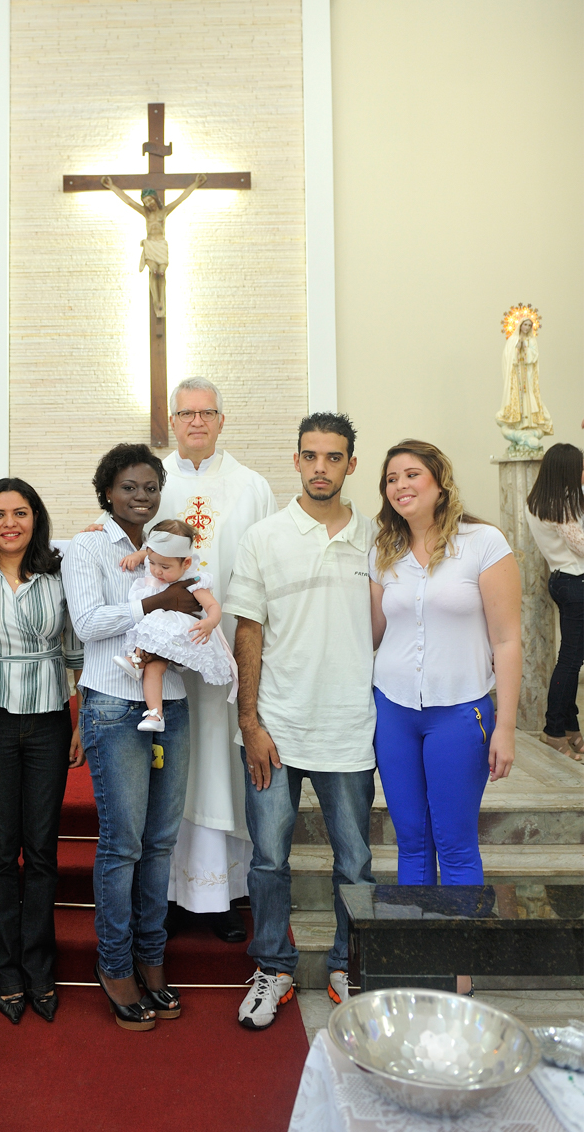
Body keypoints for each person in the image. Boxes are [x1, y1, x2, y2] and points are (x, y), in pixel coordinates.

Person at [225, 412, 377, 1028]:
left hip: (350, 724)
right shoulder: (264, 537)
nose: (321, 467)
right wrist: (251, 724)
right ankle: (273, 967)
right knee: (267, 858)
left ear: (350, 464)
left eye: (333, 457)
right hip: (278, 727)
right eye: (310, 456)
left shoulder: (376, 537)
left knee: (356, 862)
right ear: (296, 461)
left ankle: (349, 963)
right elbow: (248, 633)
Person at [369, 440, 522, 996]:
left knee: (454, 842)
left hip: (461, 711)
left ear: (439, 482)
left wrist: (505, 725)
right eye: (391, 479)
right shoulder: (383, 551)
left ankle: (458, 975)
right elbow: (373, 633)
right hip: (395, 710)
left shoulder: (484, 543)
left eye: (412, 474)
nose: (401, 485)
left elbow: (507, 640)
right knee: (411, 840)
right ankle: (419, 960)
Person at [63, 443, 199, 1030]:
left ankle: (152, 958)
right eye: (129, 486)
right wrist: (155, 600)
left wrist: (187, 608)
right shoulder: (89, 545)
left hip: (172, 706)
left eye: (150, 487)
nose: (141, 496)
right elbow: (88, 623)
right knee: (124, 844)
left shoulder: (169, 548)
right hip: (114, 709)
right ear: (107, 490)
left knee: (162, 842)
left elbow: (191, 612)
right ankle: (114, 965)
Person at [156, 377, 277, 943]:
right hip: (168, 659)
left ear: (222, 421)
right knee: (176, 767)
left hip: (230, 654)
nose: (197, 422)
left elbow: (268, 570)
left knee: (222, 767)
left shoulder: (252, 486)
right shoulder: (151, 481)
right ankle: (174, 890)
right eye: (186, 413)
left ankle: (224, 892)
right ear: (172, 420)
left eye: (207, 413)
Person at [0, 478, 85, 1025]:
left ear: (35, 518)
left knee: (40, 850)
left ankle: (39, 967)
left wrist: (78, 721)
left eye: (20, 513)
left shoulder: (58, 575)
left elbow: (76, 651)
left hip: (48, 723)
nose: (9, 523)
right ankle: (6, 969)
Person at [115, 519, 237, 732]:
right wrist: (139, 555)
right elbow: (149, 552)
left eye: (165, 567)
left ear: (186, 564)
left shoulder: (194, 580)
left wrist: (209, 622)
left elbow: (213, 606)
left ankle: (137, 659)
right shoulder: (156, 559)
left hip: (180, 632)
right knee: (154, 669)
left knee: (154, 623)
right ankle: (155, 715)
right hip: (162, 632)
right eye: (152, 563)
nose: (156, 571)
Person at [525, 443, 584, 761]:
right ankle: (553, 730)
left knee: (572, 661)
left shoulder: (537, 502)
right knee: (571, 662)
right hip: (576, 583)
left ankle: (571, 729)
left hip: (562, 580)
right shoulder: (559, 506)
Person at [100, 175, 206, 317]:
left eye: (150, 200)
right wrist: (112, 187)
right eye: (146, 202)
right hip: (150, 244)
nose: (149, 203)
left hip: (161, 244)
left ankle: (162, 299)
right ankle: (157, 301)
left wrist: (196, 184)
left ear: (155, 198)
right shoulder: (145, 213)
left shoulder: (164, 211)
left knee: (162, 273)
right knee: (154, 271)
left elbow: (182, 197)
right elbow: (129, 201)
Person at [495, 305, 553, 452]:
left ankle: (529, 424)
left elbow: (534, 357)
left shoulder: (532, 341)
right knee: (517, 400)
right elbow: (508, 360)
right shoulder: (512, 340)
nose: (527, 328)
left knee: (530, 399)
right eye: (525, 324)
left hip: (528, 376)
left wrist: (525, 349)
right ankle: (518, 425)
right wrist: (517, 349)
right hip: (516, 377)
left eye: (529, 325)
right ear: (519, 325)